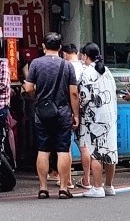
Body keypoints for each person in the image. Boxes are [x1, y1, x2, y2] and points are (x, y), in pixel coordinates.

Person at [23, 32, 79, 199]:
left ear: (43, 46)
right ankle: (63, 188)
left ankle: (43, 188)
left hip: (42, 113)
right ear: (60, 47)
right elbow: (74, 93)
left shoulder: (36, 64)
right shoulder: (67, 65)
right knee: (62, 150)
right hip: (62, 112)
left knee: (43, 149)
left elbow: (28, 88)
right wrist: (76, 114)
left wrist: (37, 97)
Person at [77, 42, 118, 198]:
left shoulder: (87, 72)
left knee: (96, 153)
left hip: (94, 118)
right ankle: (109, 186)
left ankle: (97, 187)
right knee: (110, 152)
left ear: (86, 56)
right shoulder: (107, 71)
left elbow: (84, 98)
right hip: (110, 117)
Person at [62, 43, 89, 188]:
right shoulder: (85, 67)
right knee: (83, 145)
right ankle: (87, 179)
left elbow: (73, 93)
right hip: (85, 110)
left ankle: (68, 181)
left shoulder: (66, 67)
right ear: (77, 52)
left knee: (65, 146)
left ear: (64, 54)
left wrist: (74, 113)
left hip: (69, 109)